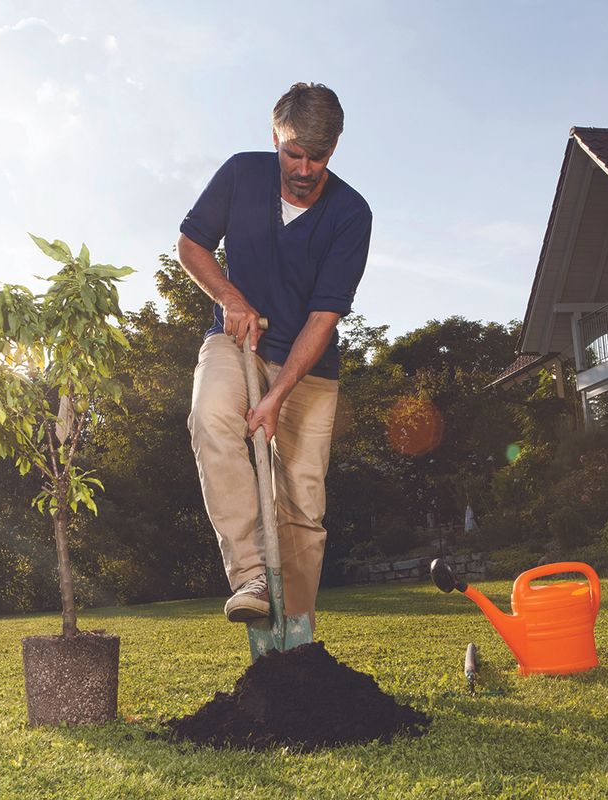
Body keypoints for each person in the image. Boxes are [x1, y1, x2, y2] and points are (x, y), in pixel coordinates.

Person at [177, 82, 372, 627]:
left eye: (319, 156)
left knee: (303, 504)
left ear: (334, 149)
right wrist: (229, 296)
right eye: (293, 153)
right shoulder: (241, 174)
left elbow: (324, 317)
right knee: (211, 415)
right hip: (236, 343)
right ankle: (251, 577)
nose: (305, 169)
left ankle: (296, 637)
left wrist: (278, 396)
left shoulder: (352, 214)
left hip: (307, 367)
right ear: (274, 138)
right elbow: (191, 244)